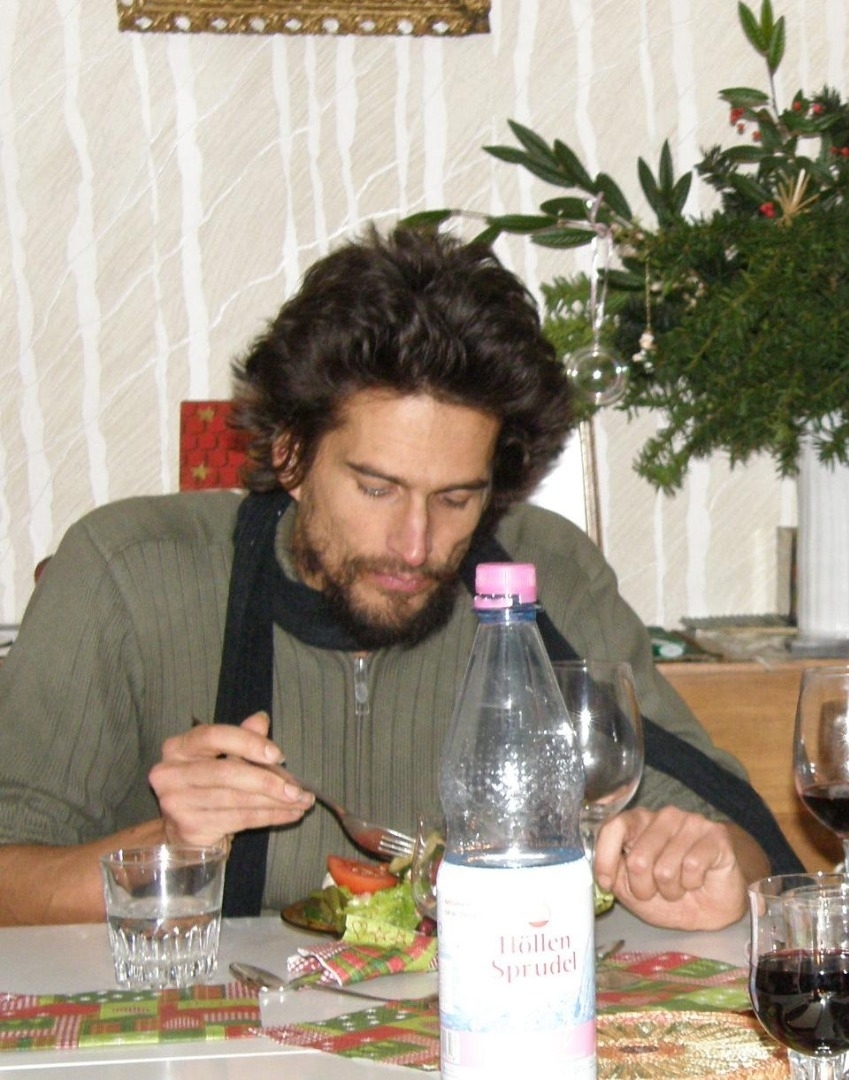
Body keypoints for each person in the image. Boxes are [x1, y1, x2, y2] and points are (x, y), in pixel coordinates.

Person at [0, 225, 798, 930]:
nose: (415, 546)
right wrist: (170, 851)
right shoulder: (127, 573)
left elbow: (738, 837)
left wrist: (708, 873)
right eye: (376, 489)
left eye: (455, 498)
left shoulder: (546, 573)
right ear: (290, 455)